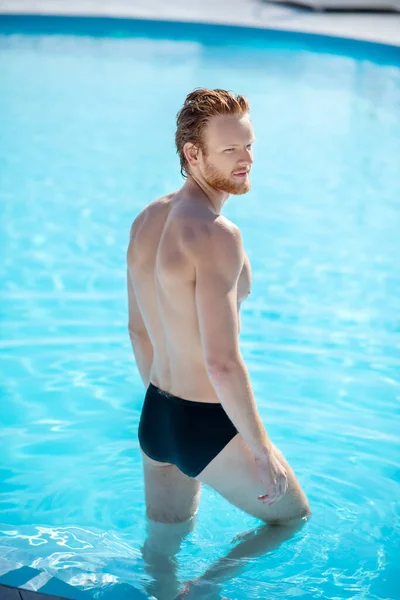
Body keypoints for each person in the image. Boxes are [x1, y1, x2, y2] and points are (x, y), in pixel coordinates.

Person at [127, 88, 310, 598]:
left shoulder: (147, 219)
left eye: (249, 146)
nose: (246, 160)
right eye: (230, 150)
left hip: (155, 418)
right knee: (291, 519)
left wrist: (165, 407)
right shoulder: (215, 234)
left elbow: (138, 331)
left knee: (162, 551)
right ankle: (207, 589)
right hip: (203, 421)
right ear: (193, 153)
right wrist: (261, 451)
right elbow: (223, 361)